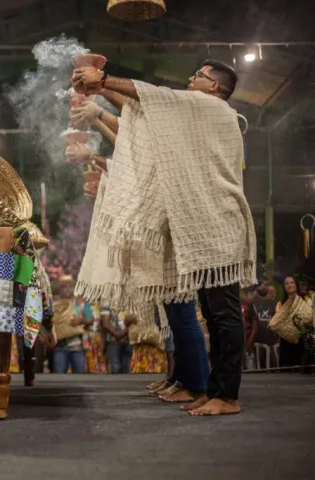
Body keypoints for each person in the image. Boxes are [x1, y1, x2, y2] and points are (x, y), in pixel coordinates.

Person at [72, 59, 256, 416]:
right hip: (204, 227)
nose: (190, 77)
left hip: (219, 224)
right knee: (213, 314)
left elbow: (155, 98)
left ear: (214, 87)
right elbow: (146, 112)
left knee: (224, 314)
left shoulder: (210, 108)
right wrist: (101, 95)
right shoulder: (195, 117)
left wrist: (104, 81)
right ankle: (213, 389)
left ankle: (227, 395)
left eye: (198, 75)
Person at [276, 276, 308, 368]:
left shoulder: (304, 300)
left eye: (292, 282)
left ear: (296, 285)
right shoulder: (280, 304)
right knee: (286, 368)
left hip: (300, 339)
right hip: (286, 340)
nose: (289, 285)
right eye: (286, 283)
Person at [102, 307, 132, 374]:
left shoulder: (132, 303)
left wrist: (123, 333)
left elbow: (137, 319)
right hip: (114, 342)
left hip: (130, 341)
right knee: (115, 370)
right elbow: (105, 323)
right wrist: (117, 334)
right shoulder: (107, 303)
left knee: (129, 370)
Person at [241, 290, 259, 370]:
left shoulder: (247, 302)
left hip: (247, 340)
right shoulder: (228, 304)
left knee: (250, 369)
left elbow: (255, 323)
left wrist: (250, 340)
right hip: (233, 342)